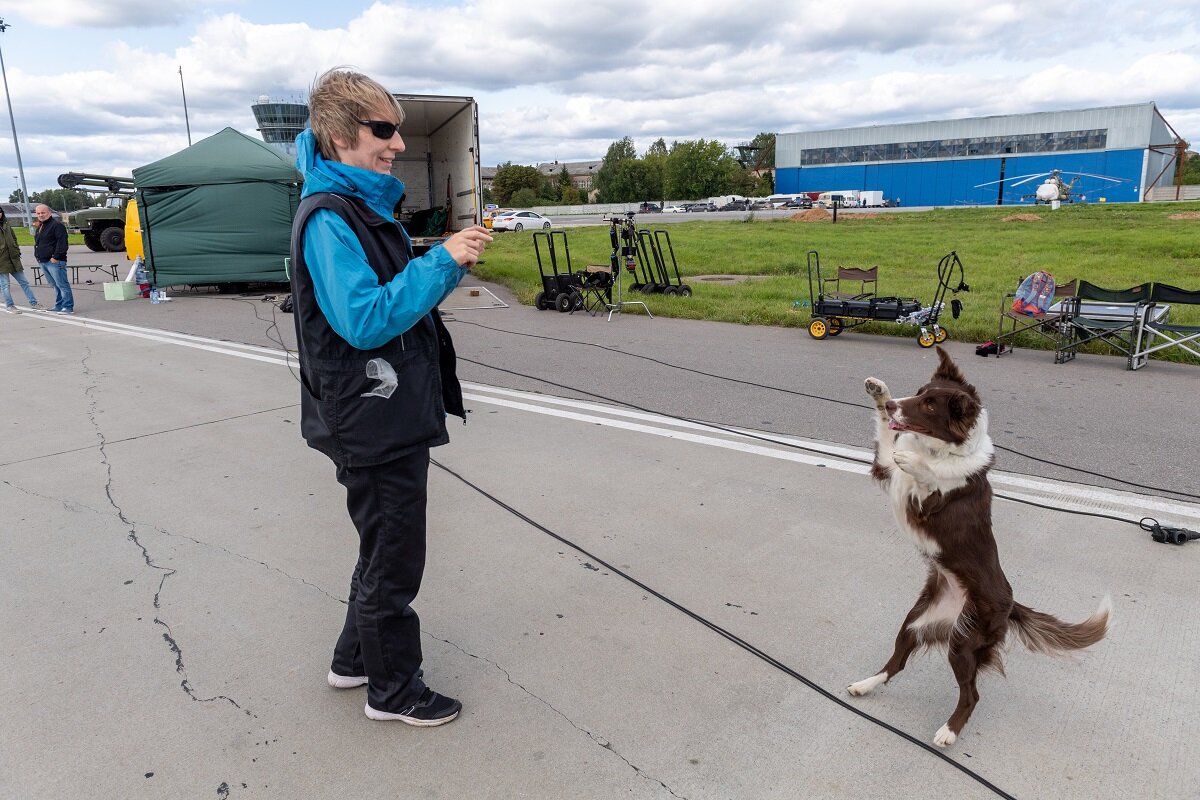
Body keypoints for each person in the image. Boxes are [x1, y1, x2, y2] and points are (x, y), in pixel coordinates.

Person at [289, 68, 492, 727]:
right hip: (369, 421)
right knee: (395, 558)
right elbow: (365, 320)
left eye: (396, 129)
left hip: (384, 412)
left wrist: (438, 258)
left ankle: (354, 662)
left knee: (381, 547)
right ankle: (394, 692)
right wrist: (444, 262)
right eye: (384, 129)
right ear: (341, 135)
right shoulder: (329, 218)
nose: (397, 143)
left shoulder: (359, 208)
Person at [0, 208, 41, 313]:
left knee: (24, 282)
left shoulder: (6, 224)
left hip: (14, 259)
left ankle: (34, 303)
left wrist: (17, 250)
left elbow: (14, 238)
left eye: (0, 212)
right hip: (1, 261)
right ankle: (10, 305)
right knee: (5, 285)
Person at [33, 204, 72, 314]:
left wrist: (56, 257)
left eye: (43, 212)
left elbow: (62, 243)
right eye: (38, 213)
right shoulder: (41, 226)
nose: (41, 215)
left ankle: (68, 306)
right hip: (43, 261)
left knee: (62, 284)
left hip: (55, 261)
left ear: (49, 213)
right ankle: (59, 305)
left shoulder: (56, 225)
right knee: (54, 285)